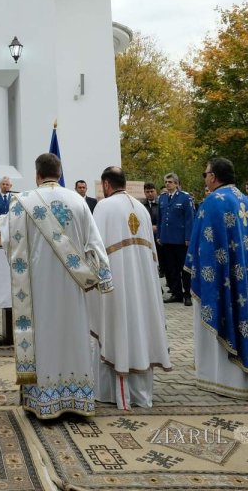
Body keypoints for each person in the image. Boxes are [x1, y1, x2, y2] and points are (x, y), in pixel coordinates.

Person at [3, 152, 112, 419]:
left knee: (45, 336)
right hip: (72, 287)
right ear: (59, 173)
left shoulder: (21, 203)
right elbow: (95, 245)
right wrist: (104, 279)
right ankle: (78, 399)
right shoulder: (78, 201)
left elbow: (8, 243)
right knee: (73, 333)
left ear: (37, 175)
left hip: (37, 287)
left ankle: (44, 401)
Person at [187, 157, 248, 398]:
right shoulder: (243, 199)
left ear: (213, 177)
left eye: (206, 173)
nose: (205, 178)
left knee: (222, 315)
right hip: (246, 275)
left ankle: (222, 378)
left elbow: (202, 246)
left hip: (221, 279)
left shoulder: (213, 202)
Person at [88, 167, 170, 409]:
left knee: (117, 326)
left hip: (118, 282)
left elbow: (94, 249)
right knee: (139, 326)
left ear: (106, 184)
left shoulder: (104, 207)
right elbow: (153, 255)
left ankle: (113, 392)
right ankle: (141, 393)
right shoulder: (141, 208)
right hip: (142, 283)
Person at [157, 173, 194, 304]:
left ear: (177, 184)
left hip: (180, 240)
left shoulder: (185, 198)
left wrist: (188, 237)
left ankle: (187, 294)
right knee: (171, 269)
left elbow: (189, 219)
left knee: (184, 268)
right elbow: (160, 219)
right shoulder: (162, 198)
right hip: (167, 239)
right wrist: (159, 236)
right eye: (166, 182)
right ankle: (176, 293)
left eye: (170, 182)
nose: (167, 184)